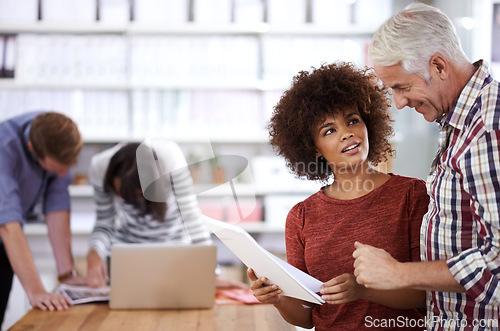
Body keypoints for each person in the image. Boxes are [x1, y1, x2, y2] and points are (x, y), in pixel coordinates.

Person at [247, 62, 429, 330]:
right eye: (329, 130)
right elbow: (307, 317)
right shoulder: (302, 217)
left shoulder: (411, 195)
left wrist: (364, 290)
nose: (347, 133)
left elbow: (427, 293)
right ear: (315, 149)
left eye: (353, 120)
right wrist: (277, 298)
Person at [352, 3, 500, 330]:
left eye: (402, 87)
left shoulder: (487, 133)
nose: (399, 103)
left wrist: (398, 273)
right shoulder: (459, 122)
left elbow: (497, 264)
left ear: (438, 66)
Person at [86, 141, 244, 289]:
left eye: (137, 195)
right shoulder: (100, 167)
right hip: (129, 260)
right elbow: (104, 223)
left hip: (176, 257)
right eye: (123, 195)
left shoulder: (170, 159)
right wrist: (94, 251)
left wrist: (210, 273)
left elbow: (192, 219)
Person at [0, 111, 86, 326]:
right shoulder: (3, 149)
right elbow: (7, 224)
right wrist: (37, 291)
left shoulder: (55, 138)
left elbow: (57, 208)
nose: (63, 174)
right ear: (31, 148)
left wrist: (67, 275)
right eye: (57, 168)